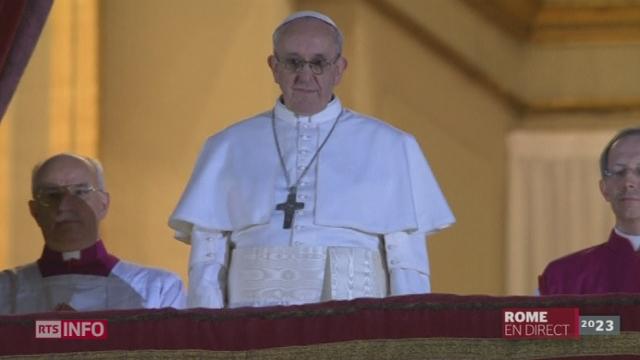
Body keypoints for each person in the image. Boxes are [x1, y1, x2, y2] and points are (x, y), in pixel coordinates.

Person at [170, 11, 455, 308]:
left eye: (319, 63)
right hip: (250, 325)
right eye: (293, 62)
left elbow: (406, 262)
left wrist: (407, 339)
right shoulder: (227, 146)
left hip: (354, 326)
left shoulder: (392, 146)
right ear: (274, 67)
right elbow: (207, 259)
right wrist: (209, 338)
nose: (305, 75)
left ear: (339, 69)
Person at [0, 153, 186, 314]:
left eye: (81, 192)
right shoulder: (5, 290)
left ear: (103, 204)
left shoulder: (158, 290)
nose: (65, 205)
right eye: (51, 195)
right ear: (34, 211)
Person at [539, 127, 640, 295]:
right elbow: (543, 322)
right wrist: (602, 323)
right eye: (619, 171)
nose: (628, 181)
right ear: (604, 189)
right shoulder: (562, 277)